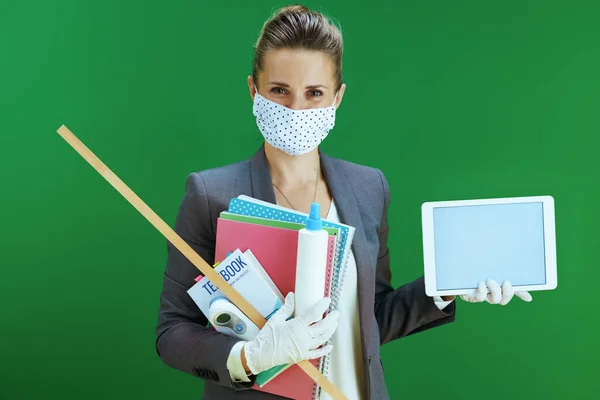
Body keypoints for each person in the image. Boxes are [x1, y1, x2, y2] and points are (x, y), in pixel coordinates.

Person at [155, 5, 533, 400]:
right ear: (254, 91)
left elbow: (369, 319)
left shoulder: (369, 188)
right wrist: (250, 356)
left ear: (338, 97)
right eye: (279, 90)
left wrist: (446, 287)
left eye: (314, 93)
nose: (296, 108)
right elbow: (172, 332)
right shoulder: (211, 195)